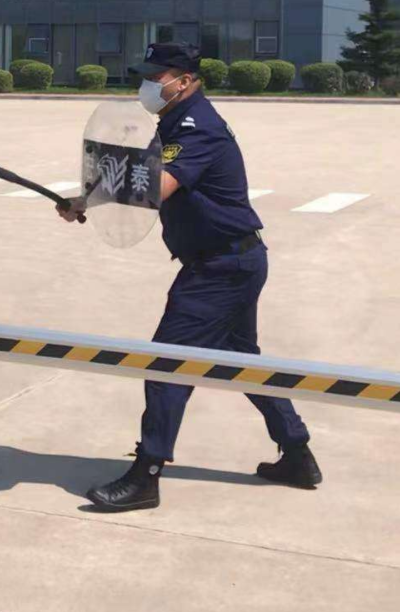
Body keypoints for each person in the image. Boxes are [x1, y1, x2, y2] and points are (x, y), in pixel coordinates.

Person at [58, 43, 322, 513]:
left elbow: (157, 186)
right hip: (232, 260)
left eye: (155, 77)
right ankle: (298, 454)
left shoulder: (198, 127)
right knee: (241, 362)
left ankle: (146, 476)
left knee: (166, 364)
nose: (146, 84)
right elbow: (142, 177)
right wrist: (86, 199)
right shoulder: (175, 121)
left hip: (220, 268)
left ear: (183, 80)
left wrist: (94, 192)